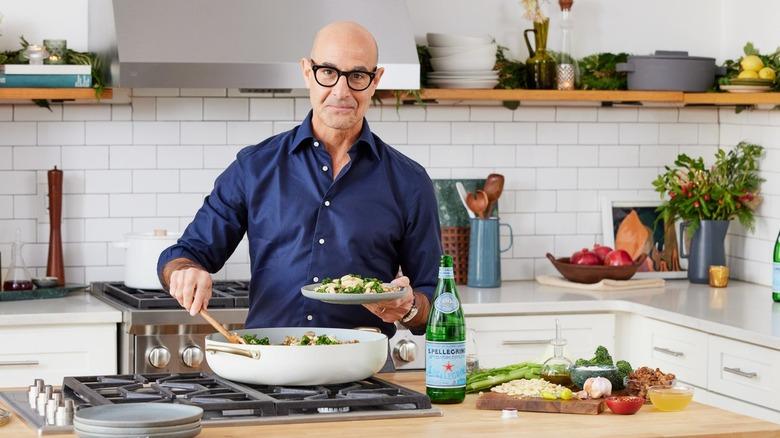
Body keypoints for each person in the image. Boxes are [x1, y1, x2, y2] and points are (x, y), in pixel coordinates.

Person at [157, 21, 442, 338]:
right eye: (328, 72)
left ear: (376, 81)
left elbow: (435, 302)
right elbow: (185, 254)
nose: (341, 91)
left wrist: (411, 308)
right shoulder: (255, 167)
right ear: (307, 71)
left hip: (365, 371)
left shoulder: (409, 181)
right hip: (272, 365)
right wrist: (185, 273)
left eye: (357, 76)